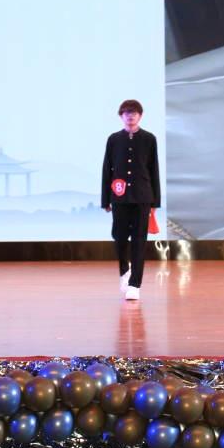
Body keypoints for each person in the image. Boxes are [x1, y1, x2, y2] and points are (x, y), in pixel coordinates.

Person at [101, 99, 161, 300]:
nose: (130, 116)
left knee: (139, 240)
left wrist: (155, 202)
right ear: (121, 116)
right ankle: (124, 270)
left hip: (143, 196)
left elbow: (154, 170)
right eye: (126, 112)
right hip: (119, 196)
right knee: (119, 237)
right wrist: (105, 199)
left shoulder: (149, 139)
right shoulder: (113, 139)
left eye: (134, 112)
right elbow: (107, 170)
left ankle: (135, 284)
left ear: (140, 116)